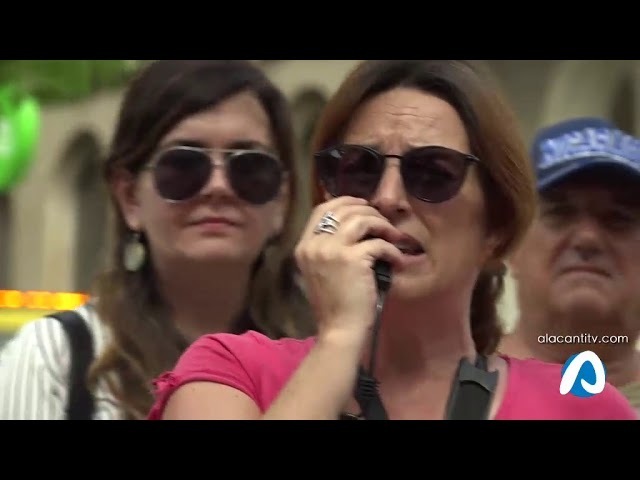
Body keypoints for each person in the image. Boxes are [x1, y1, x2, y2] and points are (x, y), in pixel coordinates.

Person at [148, 60, 637, 420]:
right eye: (359, 170)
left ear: (497, 228)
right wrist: (340, 339)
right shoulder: (232, 371)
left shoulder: (581, 407)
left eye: (432, 172)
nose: (387, 198)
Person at [0, 60, 315, 420]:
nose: (218, 187)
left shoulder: (334, 352)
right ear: (129, 198)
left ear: (283, 200)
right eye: (183, 165)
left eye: (250, 167)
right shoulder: (54, 358)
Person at [499, 117, 640, 412]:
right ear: (512, 245)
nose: (587, 238)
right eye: (560, 213)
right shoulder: (447, 390)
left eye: (617, 219)